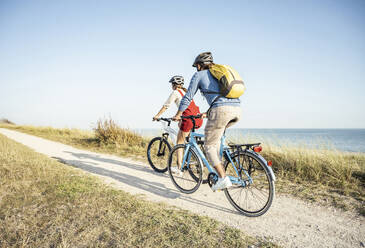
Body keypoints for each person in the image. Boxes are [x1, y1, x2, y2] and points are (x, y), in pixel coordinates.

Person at [173, 52, 241, 191]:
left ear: (199, 65)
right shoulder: (218, 74)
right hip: (237, 109)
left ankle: (222, 178)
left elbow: (188, 97)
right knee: (217, 141)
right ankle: (220, 165)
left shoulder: (199, 75)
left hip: (221, 111)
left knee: (208, 145)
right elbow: (221, 97)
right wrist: (208, 113)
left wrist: (179, 114)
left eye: (196, 66)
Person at [153, 75, 203, 146]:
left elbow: (166, 106)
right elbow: (186, 107)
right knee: (180, 125)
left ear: (174, 84)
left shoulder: (175, 92)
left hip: (188, 119)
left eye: (172, 84)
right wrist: (178, 116)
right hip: (197, 118)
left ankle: (182, 155)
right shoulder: (186, 92)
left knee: (179, 144)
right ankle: (189, 146)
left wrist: (157, 116)